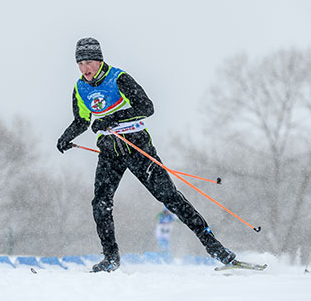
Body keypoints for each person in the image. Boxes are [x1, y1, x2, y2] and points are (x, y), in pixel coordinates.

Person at [56, 37, 237, 272]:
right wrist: (66, 136)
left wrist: (111, 118)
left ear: (100, 60)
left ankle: (215, 247)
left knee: (169, 198)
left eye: (89, 62)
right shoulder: (80, 88)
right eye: (80, 63)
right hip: (110, 151)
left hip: (137, 146)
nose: (84, 68)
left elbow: (146, 107)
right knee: (100, 203)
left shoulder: (119, 78)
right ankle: (111, 258)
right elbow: (82, 120)